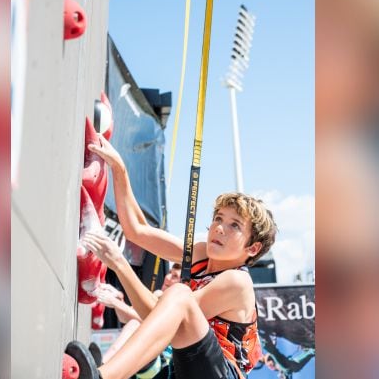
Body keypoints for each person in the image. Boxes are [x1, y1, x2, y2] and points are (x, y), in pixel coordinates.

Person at [67, 136, 277, 379]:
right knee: (174, 297)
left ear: (252, 249)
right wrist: (119, 168)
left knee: (177, 294)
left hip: (220, 373)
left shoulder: (237, 282)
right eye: (218, 218)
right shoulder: (200, 253)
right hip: (187, 367)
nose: (219, 228)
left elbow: (162, 317)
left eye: (234, 225)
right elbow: (137, 230)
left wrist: (120, 264)